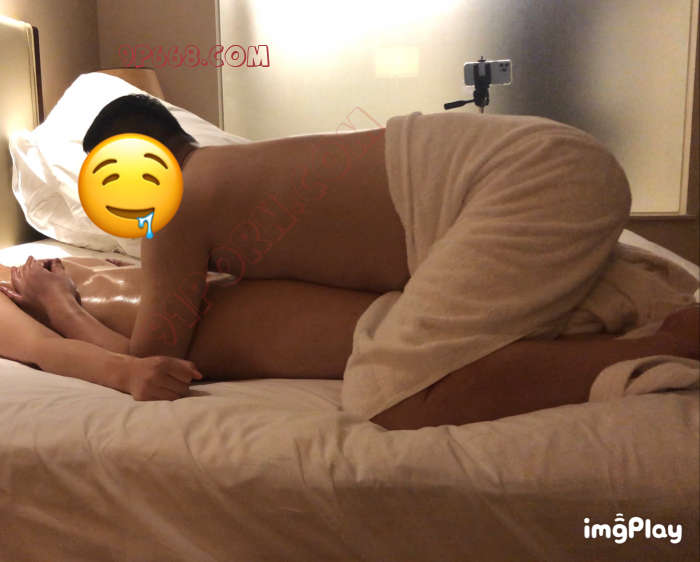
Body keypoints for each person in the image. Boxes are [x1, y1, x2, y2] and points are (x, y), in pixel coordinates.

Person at [4, 94, 699, 430]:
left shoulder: (173, 198)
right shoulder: (221, 178)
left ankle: (667, 345)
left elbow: (153, 360)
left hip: (526, 178)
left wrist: (59, 305)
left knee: (391, 395)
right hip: (542, 161)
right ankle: (637, 306)